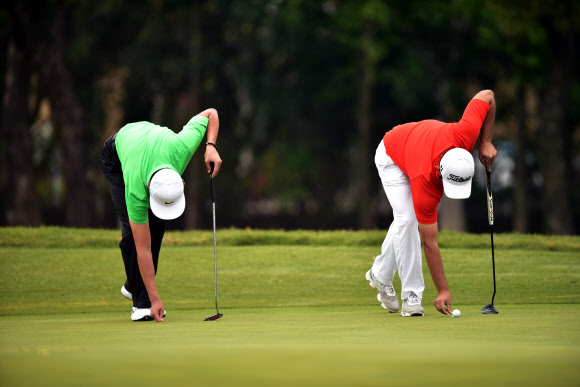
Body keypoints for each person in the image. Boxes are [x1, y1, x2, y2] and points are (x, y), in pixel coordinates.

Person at [366, 90, 497, 317]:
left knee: (405, 219)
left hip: (416, 145)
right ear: (440, 172)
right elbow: (430, 243)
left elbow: (488, 95)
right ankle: (411, 297)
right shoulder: (424, 181)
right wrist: (443, 290)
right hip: (391, 154)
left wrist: (485, 141)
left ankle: (380, 273)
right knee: (407, 220)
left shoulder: (466, 133)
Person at [99, 109, 222, 322]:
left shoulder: (181, 148)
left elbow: (211, 113)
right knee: (133, 235)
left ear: (181, 183)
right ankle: (142, 304)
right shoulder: (136, 189)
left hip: (147, 146)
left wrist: (210, 146)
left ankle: (133, 285)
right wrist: (154, 300)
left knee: (156, 228)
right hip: (116, 157)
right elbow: (143, 249)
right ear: (148, 188)